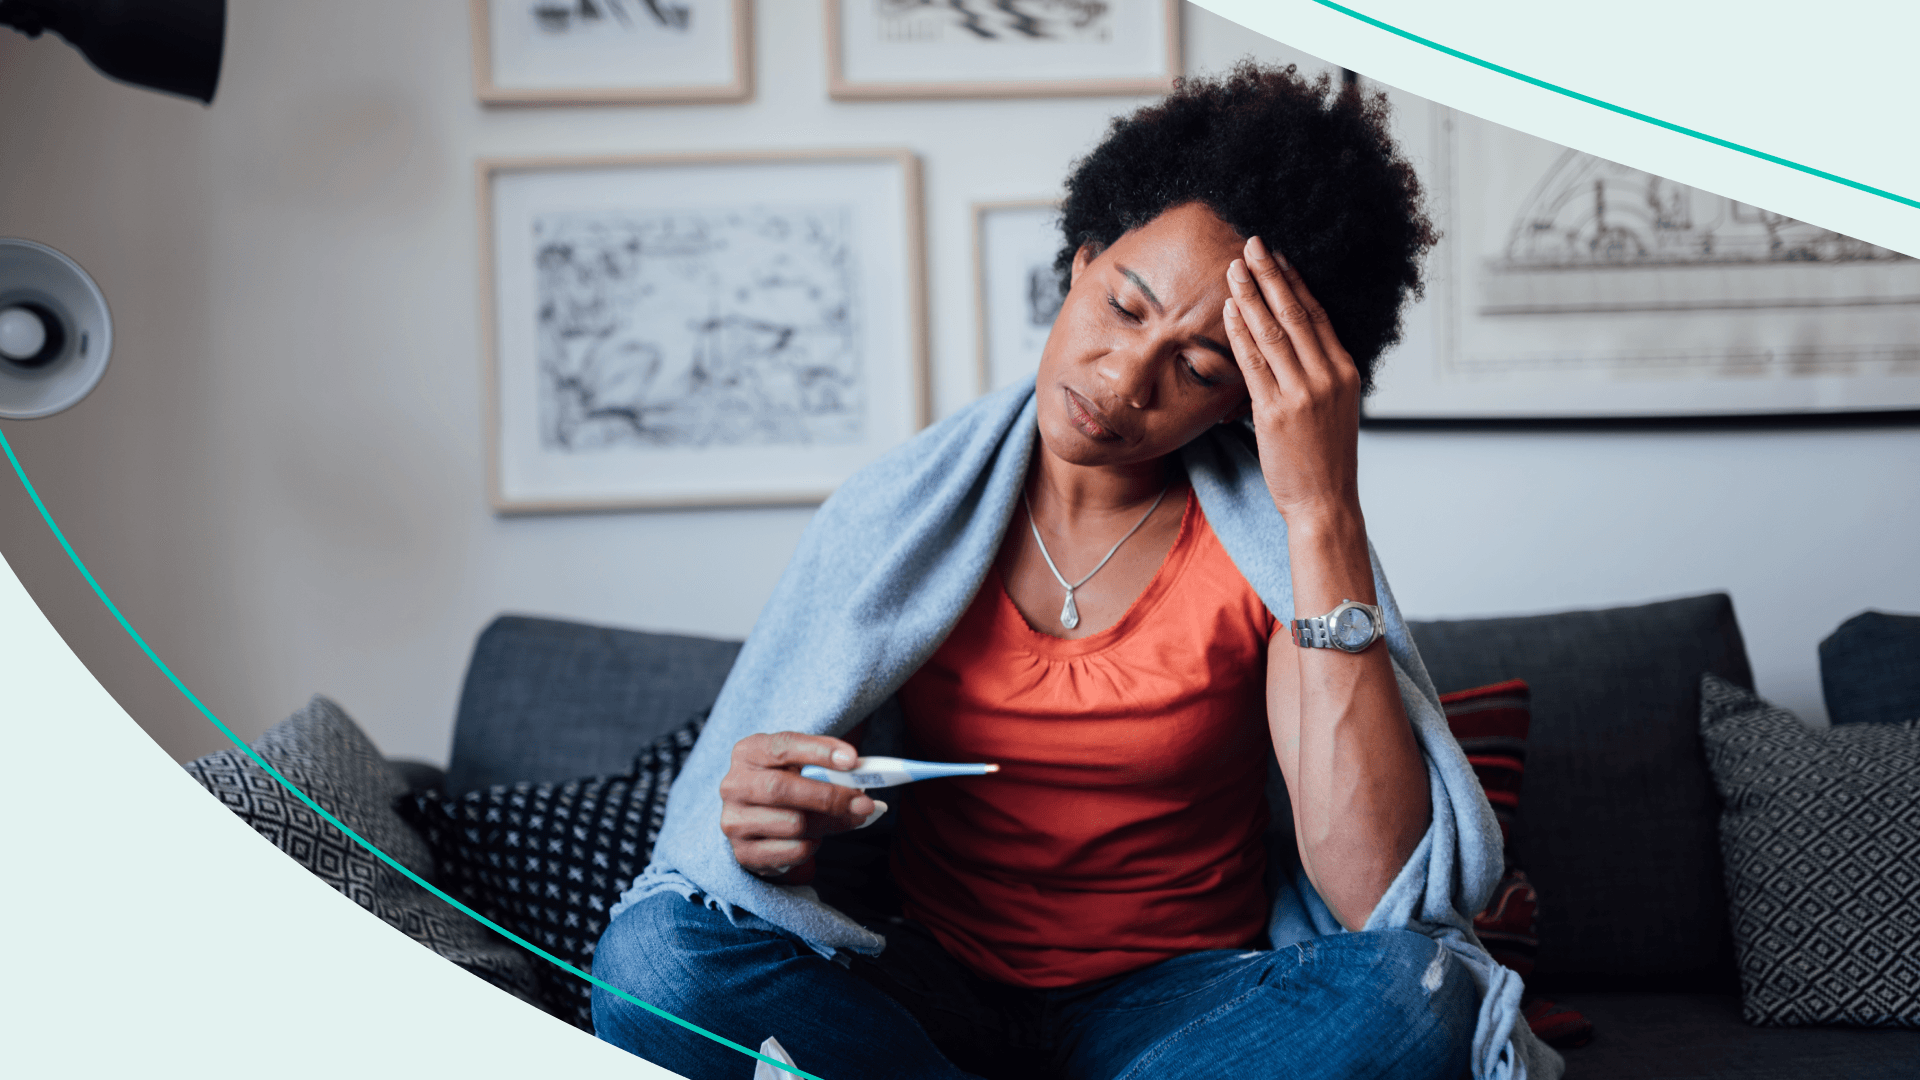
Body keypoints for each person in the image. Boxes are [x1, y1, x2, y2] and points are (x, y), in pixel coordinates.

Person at [591, 62, 1559, 1080]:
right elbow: (753, 832)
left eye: (1196, 368)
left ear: (1248, 404)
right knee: (651, 962)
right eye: (1124, 307)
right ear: (1081, 261)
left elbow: (1375, 898)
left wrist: (1323, 511)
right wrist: (767, 827)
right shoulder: (899, 519)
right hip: (928, 992)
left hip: (1179, 1011)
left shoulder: (1267, 549)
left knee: (1422, 997)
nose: (1122, 378)